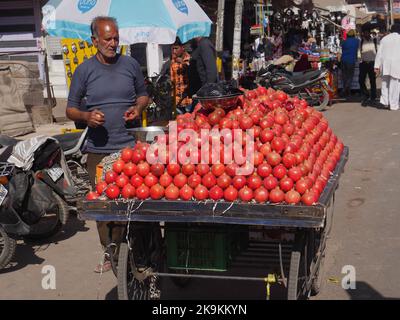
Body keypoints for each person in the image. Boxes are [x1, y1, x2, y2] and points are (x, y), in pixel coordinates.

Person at [66, 16, 149, 272]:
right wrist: (86, 116)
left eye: (116, 38)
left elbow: (144, 95)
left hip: (129, 149)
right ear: (94, 40)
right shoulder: (84, 70)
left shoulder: (130, 64)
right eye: (107, 39)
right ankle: (109, 252)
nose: (113, 43)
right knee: (103, 206)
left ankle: (140, 251)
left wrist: (137, 108)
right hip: (98, 151)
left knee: (136, 203)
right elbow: (71, 109)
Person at [374, 24, 400, 111]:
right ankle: (393, 104)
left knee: (385, 83)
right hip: (396, 65)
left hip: (385, 64)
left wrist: (376, 66)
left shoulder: (384, 39)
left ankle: (385, 102)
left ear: (391, 30)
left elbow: (379, 53)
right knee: (395, 85)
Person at [170, 38, 192, 113]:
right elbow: (171, 80)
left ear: (182, 48)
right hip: (176, 101)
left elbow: (193, 75)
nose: (174, 51)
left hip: (188, 100)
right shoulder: (171, 62)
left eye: (176, 48)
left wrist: (183, 63)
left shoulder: (190, 59)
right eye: (172, 49)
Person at [359, 29, 378, 106]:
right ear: (363, 34)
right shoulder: (361, 42)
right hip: (363, 63)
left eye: (367, 32)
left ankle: (373, 96)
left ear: (369, 33)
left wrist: (377, 65)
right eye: (365, 33)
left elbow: (378, 52)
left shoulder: (374, 41)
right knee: (361, 80)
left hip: (372, 63)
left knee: (372, 80)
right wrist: (360, 60)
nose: (366, 34)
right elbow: (358, 52)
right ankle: (366, 94)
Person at [340, 29, 360, 98]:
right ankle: (345, 90)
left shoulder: (344, 41)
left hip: (343, 60)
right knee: (350, 76)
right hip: (351, 60)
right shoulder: (357, 41)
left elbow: (342, 49)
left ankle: (346, 91)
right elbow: (357, 49)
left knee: (344, 76)